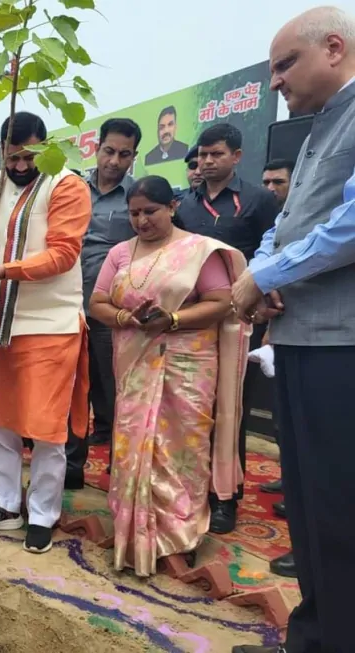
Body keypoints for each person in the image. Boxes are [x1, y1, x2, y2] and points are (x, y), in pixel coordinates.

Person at [230, 7, 355, 653]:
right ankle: (312, 637)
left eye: (285, 65)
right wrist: (263, 272)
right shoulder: (313, 133)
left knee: (340, 511)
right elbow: (287, 225)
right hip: (301, 340)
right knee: (306, 510)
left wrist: (268, 272)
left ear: (333, 48)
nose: (275, 81)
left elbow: (351, 225)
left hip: (343, 347)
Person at [89, 176, 249, 577]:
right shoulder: (120, 254)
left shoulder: (198, 251)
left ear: (172, 207)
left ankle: (180, 535)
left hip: (187, 364)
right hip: (135, 360)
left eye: (150, 211)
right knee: (132, 443)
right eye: (134, 213)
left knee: (182, 449)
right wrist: (126, 317)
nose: (142, 220)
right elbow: (97, 302)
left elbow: (222, 300)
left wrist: (173, 319)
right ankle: (135, 531)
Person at [0, 112, 91, 554]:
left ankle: (42, 514)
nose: (18, 165)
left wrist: (5, 269)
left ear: (44, 147)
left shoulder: (67, 185)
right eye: (11, 156)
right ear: (1, 150)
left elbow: (63, 254)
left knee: (47, 426)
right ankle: (5, 503)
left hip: (49, 325)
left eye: (27, 155)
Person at [177, 122, 279, 535]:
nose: (206, 162)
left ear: (236, 156)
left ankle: (225, 499)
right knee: (192, 406)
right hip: (191, 321)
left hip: (240, 321)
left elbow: (276, 249)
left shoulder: (259, 200)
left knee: (229, 411)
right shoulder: (183, 204)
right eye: (202, 155)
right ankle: (191, 488)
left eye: (215, 154)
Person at [65, 118, 141, 489]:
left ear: (134, 156)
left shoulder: (136, 198)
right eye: (108, 151)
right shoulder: (73, 189)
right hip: (66, 306)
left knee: (114, 393)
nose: (114, 161)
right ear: (96, 149)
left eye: (123, 154)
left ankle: (121, 469)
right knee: (71, 391)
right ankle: (72, 466)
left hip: (112, 313)